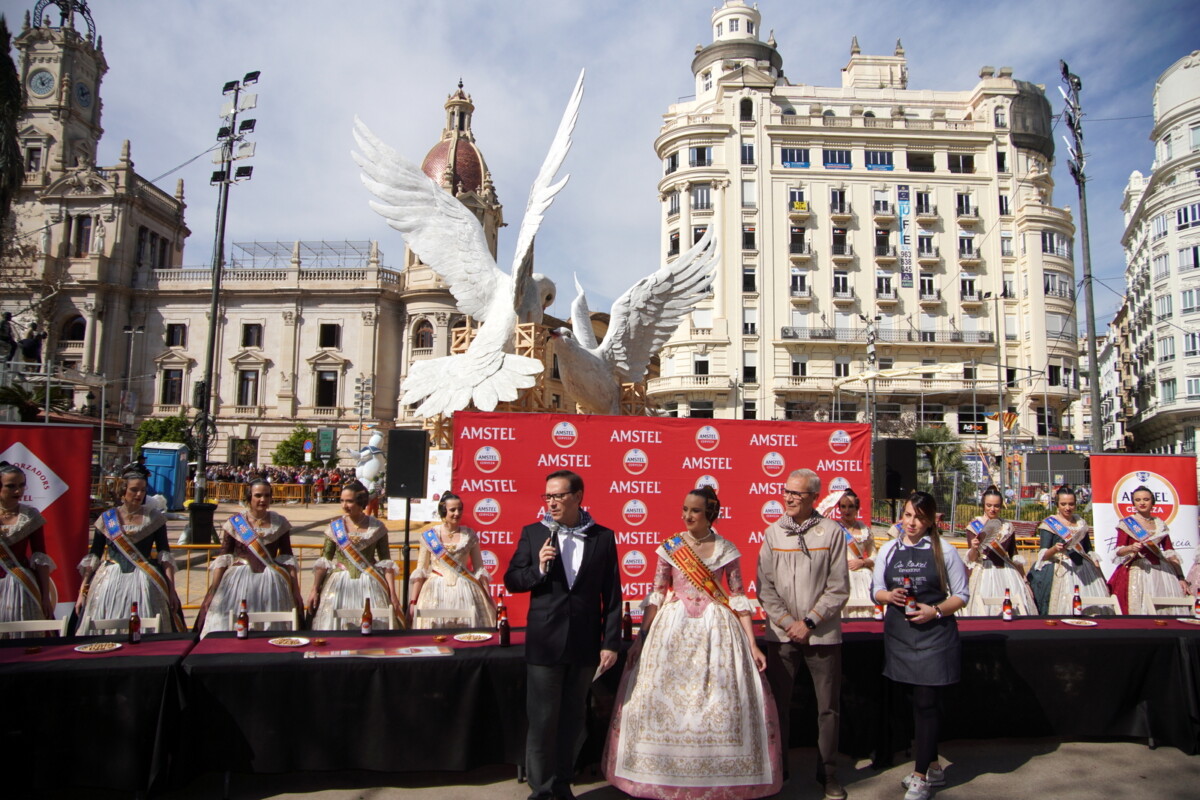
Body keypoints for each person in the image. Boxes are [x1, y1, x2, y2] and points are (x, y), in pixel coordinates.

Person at [604, 487, 781, 799]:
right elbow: (658, 593)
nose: (687, 515)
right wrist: (640, 640)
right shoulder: (671, 547)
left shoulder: (726, 548)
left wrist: (752, 645)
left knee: (718, 701)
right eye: (685, 509)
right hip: (672, 630)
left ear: (709, 513)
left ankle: (719, 777)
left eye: (695, 511)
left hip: (717, 630)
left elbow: (738, 598)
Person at [504, 470, 622, 800]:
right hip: (544, 643)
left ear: (578, 497)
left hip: (584, 644)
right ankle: (540, 791)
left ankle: (562, 785)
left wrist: (609, 642)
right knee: (542, 722)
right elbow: (512, 580)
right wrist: (537, 570)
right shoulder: (533, 534)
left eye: (558, 496)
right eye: (548, 497)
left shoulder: (602, 537)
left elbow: (612, 595)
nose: (552, 502)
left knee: (572, 720)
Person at [758, 469, 850, 800]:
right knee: (778, 707)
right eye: (786, 492)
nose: (789, 498)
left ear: (813, 497)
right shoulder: (772, 533)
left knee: (828, 709)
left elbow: (839, 587)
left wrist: (809, 622)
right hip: (781, 637)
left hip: (822, 636)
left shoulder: (832, 532)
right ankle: (778, 773)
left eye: (797, 494)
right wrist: (786, 621)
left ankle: (828, 775)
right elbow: (764, 587)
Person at [871, 492, 969, 800]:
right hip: (900, 636)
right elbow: (876, 590)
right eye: (909, 515)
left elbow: (961, 595)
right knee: (917, 703)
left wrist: (936, 610)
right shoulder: (887, 549)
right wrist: (890, 597)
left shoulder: (946, 552)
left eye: (920, 518)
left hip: (935, 636)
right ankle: (934, 765)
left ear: (931, 521)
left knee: (927, 704)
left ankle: (920, 776)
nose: (912, 522)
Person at [76, 467, 184, 633]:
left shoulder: (154, 518)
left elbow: (165, 555)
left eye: (143, 490)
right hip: (110, 580)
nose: (139, 495)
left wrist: (171, 590)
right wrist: (82, 590)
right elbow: (94, 555)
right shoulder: (107, 519)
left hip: (145, 580)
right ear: (123, 491)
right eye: (134, 490)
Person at [194, 479, 303, 637]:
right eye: (258, 495)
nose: (263, 500)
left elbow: (288, 558)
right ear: (249, 498)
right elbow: (224, 557)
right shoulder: (236, 522)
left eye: (266, 495)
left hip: (271, 583)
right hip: (238, 581)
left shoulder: (280, 522)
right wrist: (213, 590)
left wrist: (296, 590)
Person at [308, 481, 402, 630]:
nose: (345, 505)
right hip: (339, 583)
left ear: (361, 502)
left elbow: (386, 562)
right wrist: (314, 589)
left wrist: (393, 594)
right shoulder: (335, 528)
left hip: (369, 582)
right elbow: (324, 559)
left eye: (350, 501)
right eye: (342, 500)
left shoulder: (377, 527)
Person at [410, 491, 496, 629]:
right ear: (444, 511)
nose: (457, 513)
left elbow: (479, 569)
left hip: (465, 590)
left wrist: (489, 599)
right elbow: (421, 569)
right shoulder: (429, 536)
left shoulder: (469, 535)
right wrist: (413, 601)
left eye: (460, 509)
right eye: (452, 510)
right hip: (435, 591)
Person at [1028, 486, 1115, 616]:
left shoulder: (1080, 522)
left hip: (1084, 568)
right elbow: (1043, 556)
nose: (1067, 508)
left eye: (1071, 504)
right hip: (1061, 568)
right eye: (1063, 504)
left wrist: (1098, 571)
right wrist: (1054, 549)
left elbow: (1088, 550)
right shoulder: (1049, 524)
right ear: (1057, 504)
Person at [1107, 486, 1190, 615]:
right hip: (1137, 569)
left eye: (1146, 499)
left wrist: (1180, 577)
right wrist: (1131, 548)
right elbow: (1118, 551)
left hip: (1161, 571)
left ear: (1153, 502)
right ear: (1133, 503)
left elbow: (1169, 551)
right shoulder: (1127, 523)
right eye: (1138, 500)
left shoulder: (1159, 524)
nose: (1142, 503)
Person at [961, 486, 1035, 617]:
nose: (992, 509)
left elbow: (1014, 554)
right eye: (988, 505)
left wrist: (1024, 580)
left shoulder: (1007, 527)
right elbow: (971, 559)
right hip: (983, 571)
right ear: (983, 505)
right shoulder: (974, 526)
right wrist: (973, 548)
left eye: (996, 506)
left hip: (1007, 573)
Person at [0, 462, 56, 634]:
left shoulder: (30, 516)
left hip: (21, 586)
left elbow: (40, 556)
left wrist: (45, 596)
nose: (18, 491)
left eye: (22, 485)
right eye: (11, 486)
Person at [838, 488, 876, 619]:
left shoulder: (865, 529)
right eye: (843, 506)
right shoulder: (833, 528)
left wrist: (863, 562)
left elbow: (875, 556)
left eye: (850, 507)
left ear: (857, 508)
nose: (846, 510)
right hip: (842, 576)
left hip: (864, 578)